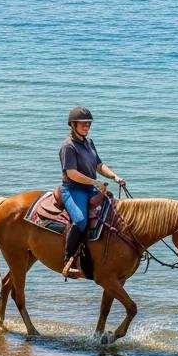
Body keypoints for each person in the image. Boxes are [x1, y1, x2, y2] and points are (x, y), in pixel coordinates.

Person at [59, 107, 126, 278]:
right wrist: (95, 182)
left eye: (88, 123)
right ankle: (68, 260)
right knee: (81, 220)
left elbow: (98, 165)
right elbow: (71, 173)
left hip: (90, 188)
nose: (86, 126)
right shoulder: (68, 146)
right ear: (73, 125)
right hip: (73, 189)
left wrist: (114, 176)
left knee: (114, 213)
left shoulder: (89, 142)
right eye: (83, 123)